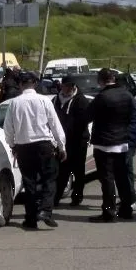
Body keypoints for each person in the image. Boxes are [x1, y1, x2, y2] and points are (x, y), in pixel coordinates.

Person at [4, 71, 67, 229]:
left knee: (29, 182)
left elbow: (8, 129)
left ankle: (31, 218)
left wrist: (12, 145)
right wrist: (62, 146)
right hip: (43, 145)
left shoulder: (14, 103)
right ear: (36, 84)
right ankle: (46, 210)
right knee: (49, 179)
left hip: (23, 147)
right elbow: (55, 124)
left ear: (20, 85)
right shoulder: (44, 100)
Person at [86, 68, 136, 222]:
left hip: (104, 143)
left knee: (107, 179)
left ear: (100, 80)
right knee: (122, 177)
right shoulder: (127, 95)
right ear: (113, 78)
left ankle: (109, 211)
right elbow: (135, 117)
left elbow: (88, 116)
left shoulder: (101, 97)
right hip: (122, 142)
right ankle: (126, 209)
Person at [52, 76, 90, 207]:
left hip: (78, 140)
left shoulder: (81, 100)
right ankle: (55, 198)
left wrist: (70, 128)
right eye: (65, 86)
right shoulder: (56, 99)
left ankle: (77, 197)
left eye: (70, 86)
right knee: (62, 170)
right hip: (62, 141)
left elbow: (85, 120)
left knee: (79, 170)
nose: (68, 89)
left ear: (74, 87)